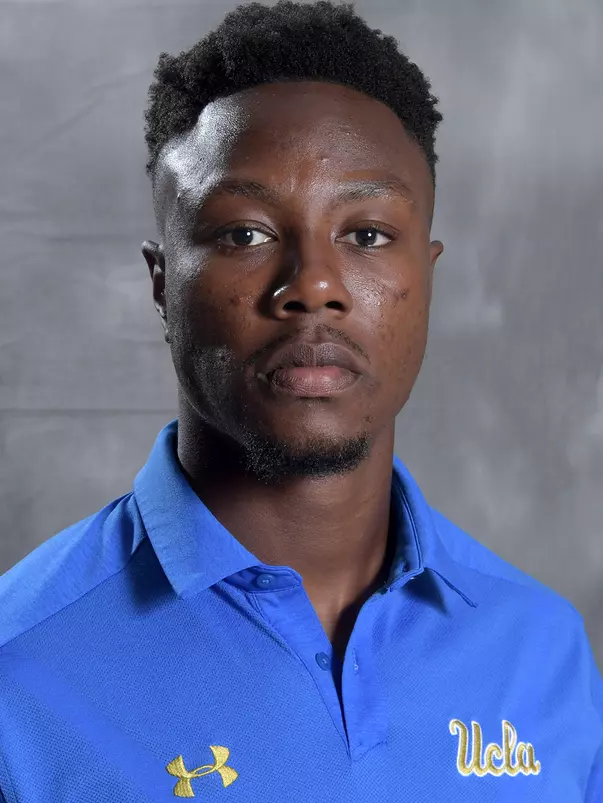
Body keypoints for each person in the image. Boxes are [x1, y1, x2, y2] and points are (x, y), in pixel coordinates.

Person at [1, 0, 601, 800]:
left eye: (366, 235)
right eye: (244, 233)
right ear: (160, 281)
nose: (312, 285)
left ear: (425, 276)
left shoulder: (540, 647)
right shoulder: (20, 667)